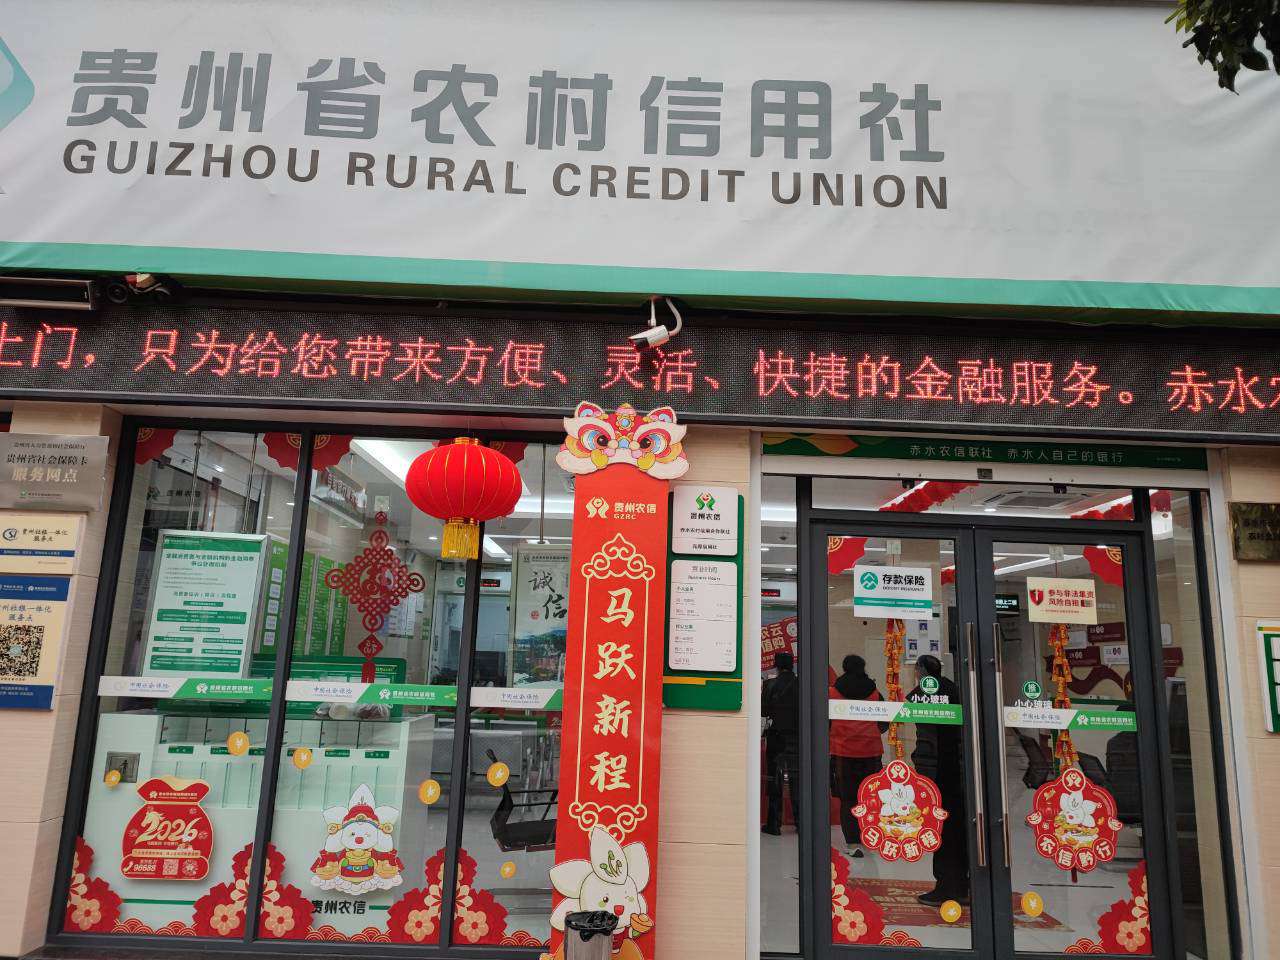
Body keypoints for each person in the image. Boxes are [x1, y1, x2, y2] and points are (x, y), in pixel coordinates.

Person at [906, 654, 969, 905]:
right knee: (959, 827)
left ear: (921, 670)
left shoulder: (922, 692)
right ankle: (962, 884)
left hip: (936, 770)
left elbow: (909, 706)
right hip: (960, 768)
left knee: (943, 829)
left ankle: (947, 887)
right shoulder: (954, 689)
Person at [829, 654, 885, 857]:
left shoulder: (833, 692)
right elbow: (884, 722)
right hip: (871, 752)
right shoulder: (875, 692)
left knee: (848, 799)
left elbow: (825, 721)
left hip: (843, 752)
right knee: (869, 797)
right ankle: (868, 836)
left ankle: (853, 844)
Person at [762, 651, 801, 835]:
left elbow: (763, 710)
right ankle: (801, 822)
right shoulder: (801, 684)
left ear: (776, 666)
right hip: (797, 737)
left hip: (777, 737)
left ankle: (774, 824)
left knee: (775, 779)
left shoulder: (770, 684)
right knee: (797, 780)